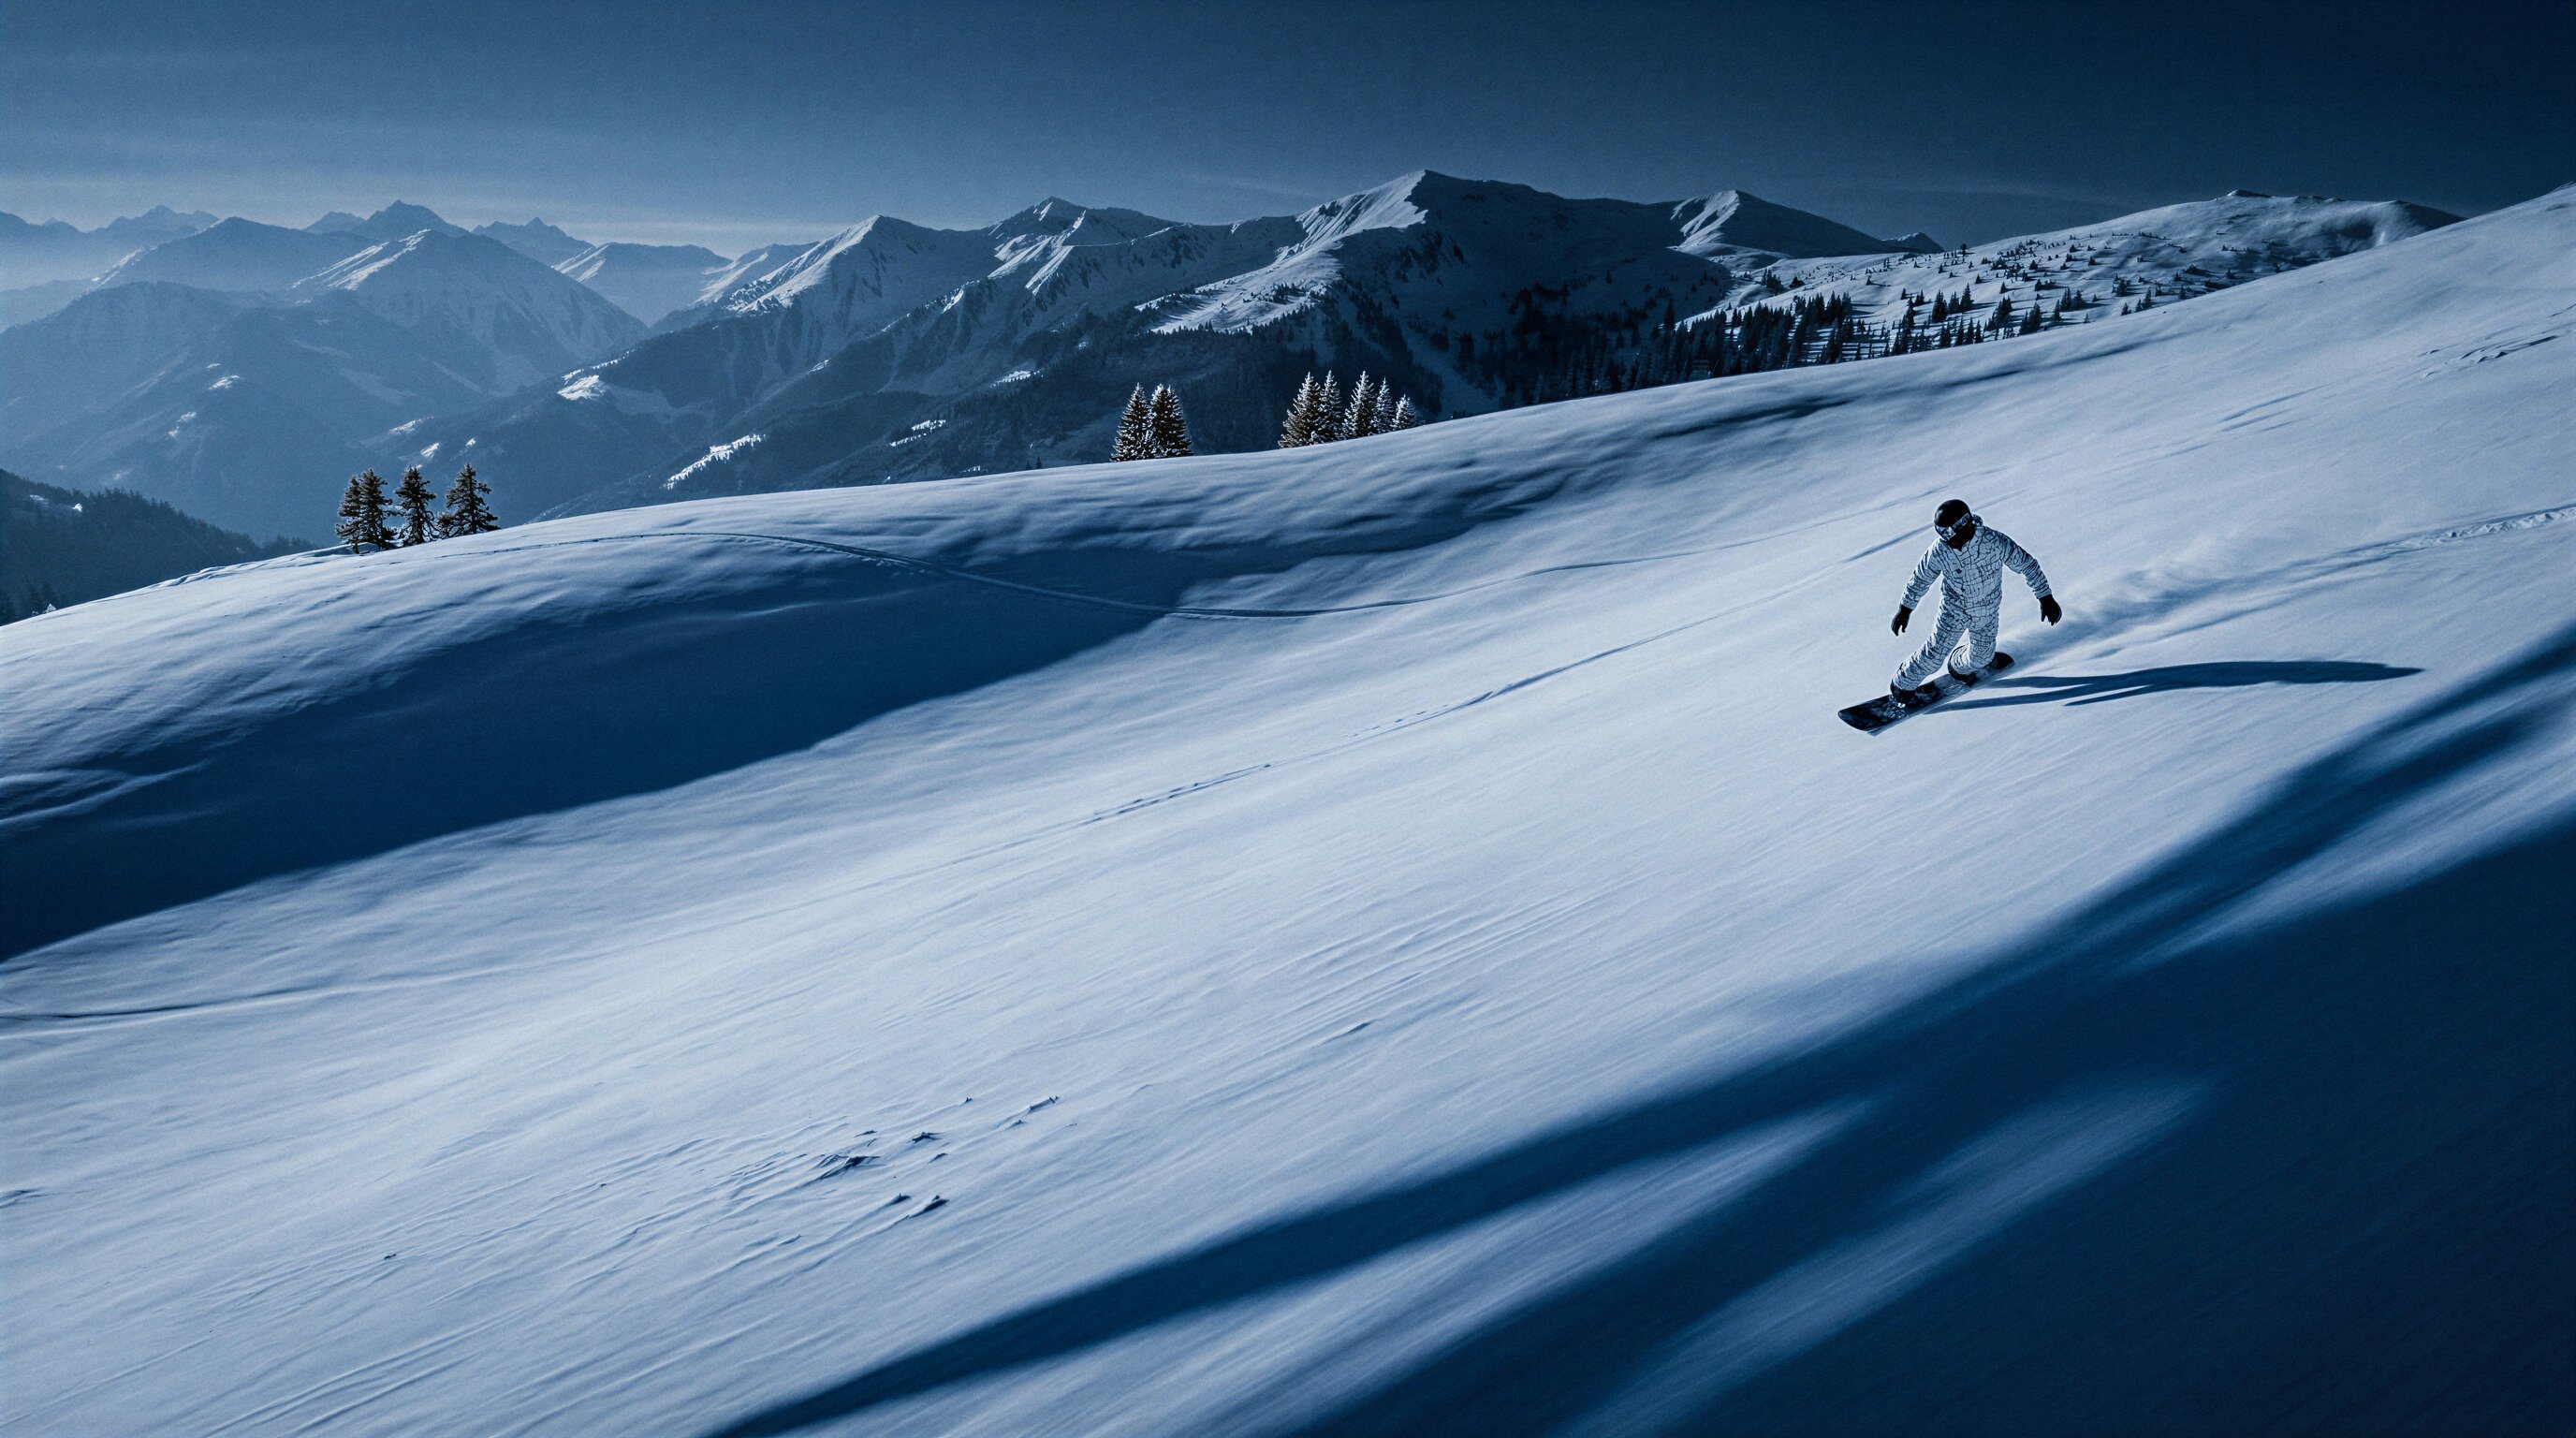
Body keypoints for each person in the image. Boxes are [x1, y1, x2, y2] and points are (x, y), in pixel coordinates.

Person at [1888, 499, 2060, 705]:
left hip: (1986, 611)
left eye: (1948, 533)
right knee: (1934, 655)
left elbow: (2027, 565)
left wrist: (2045, 597)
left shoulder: (1993, 542)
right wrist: (1905, 609)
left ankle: (1959, 666)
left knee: (1982, 658)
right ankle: (1902, 684)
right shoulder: (1940, 550)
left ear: (1963, 524)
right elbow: (1920, 578)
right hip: (1954, 611)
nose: (1946, 539)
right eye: (1941, 533)